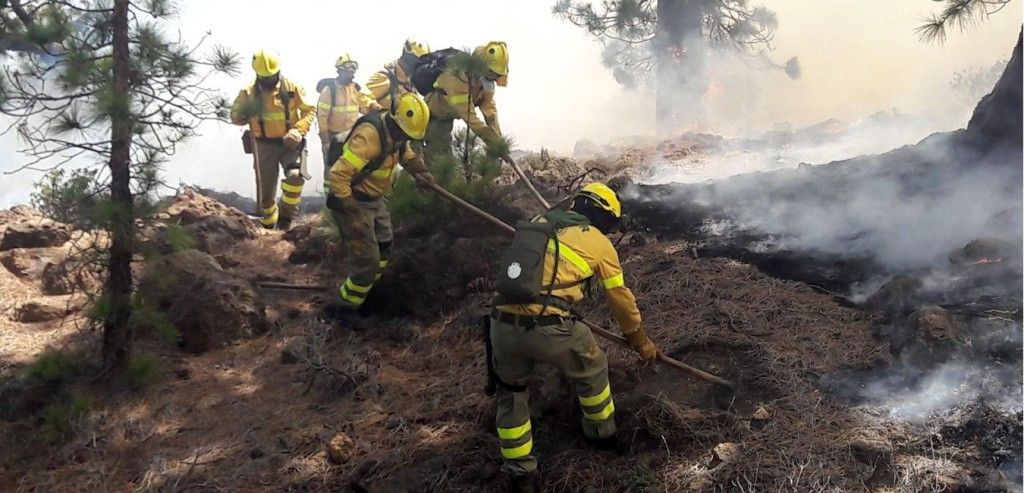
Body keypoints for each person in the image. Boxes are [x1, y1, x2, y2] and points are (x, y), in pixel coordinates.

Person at [486, 183, 659, 492]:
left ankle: (520, 472)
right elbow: (620, 299)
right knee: (592, 365)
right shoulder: (598, 243)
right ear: (603, 216)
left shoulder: (540, 222)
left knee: (511, 392)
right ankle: (602, 433)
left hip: (500, 325)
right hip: (547, 326)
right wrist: (640, 340)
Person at [320, 92, 435, 325]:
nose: (405, 139)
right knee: (368, 260)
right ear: (395, 122)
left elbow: (405, 154)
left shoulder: (397, 134)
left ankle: (365, 289)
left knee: (384, 246)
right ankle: (342, 309)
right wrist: (354, 216)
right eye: (404, 134)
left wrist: (421, 172)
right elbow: (338, 177)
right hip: (352, 201)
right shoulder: (369, 137)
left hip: (375, 199)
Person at [230, 50, 315, 230]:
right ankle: (268, 226)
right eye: (264, 77)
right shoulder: (248, 92)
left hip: (290, 144)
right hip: (264, 146)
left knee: (295, 177)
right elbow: (235, 116)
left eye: (271, 76)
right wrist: (243, 114)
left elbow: (309, 110)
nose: (268, 80)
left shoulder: (291, 88)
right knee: (266, 195)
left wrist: (299, 130)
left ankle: (286, 217)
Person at [423, 41, 508, 164]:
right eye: (492, 73)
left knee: (444, 157)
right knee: (439, 157)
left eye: (497, 75)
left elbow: (489, 111)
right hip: (435, 114)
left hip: (449, 114)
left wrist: (498, 142)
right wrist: (492, 139)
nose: (494, 78)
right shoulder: (457, 77)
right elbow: (470, 118)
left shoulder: (485, 81)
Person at [317, 53, 381, 193]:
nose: (351, 74)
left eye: (353, 71)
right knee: (331, 169)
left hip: (351, 137)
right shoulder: (329, 91)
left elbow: (365, 104)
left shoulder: (355, 89)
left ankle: (346, 195)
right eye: (348, 71)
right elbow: (322, 116)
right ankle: (329, 198)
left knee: (350, 169)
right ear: (340, 71)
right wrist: (325, 141)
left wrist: (373, 106)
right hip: (333, 138)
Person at [366, 38, 431, 110]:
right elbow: (361, 96)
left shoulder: (412, 84)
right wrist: (377, 110)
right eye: (419, 63)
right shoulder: (385, 77)